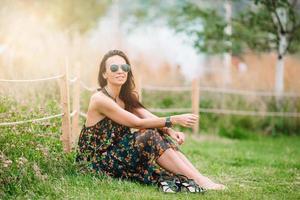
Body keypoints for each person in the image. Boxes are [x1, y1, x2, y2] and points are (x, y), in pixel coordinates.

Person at [75, 49, 225, 192]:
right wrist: (173, 119)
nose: (120, 71)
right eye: (114, 67)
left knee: (159, 136)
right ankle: (198, 180)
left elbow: (147, 116)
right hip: (96, 162)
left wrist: (170, 130)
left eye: (124, 67)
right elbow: (137, 123)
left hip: (117, 154)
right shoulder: (99, 100)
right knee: (149, 134)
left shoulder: (125, 97)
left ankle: (199, 177)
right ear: (104, 73)